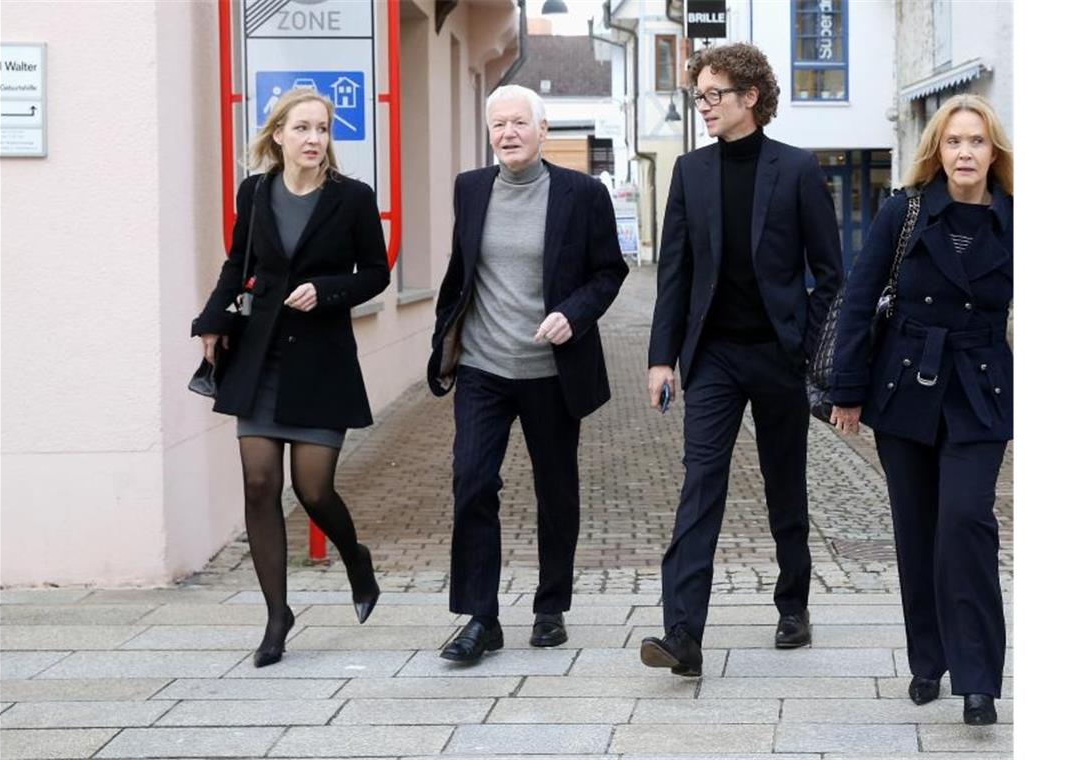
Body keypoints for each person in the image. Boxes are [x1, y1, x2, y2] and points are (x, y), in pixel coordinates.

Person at [642, 43, 844, 677]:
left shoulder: (797, 169)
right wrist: (661, 357)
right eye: (697, 96)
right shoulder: (691, 172)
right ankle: (683, 634)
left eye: (712, 95)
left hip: (778, 356)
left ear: (749, 97)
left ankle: (792, 605)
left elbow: (831, 274)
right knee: (701, 483)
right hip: (715, 358)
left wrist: (804, 345)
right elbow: (674, 270)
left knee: (786, 484)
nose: (702, 106)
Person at [427, 84, 628, 662]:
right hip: (484, 366)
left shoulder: (581, 193)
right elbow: (461, 268)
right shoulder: (470, 189)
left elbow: (608, 272)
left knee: (556, 489)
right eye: (498, 125)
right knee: (471, 481)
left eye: (518, 122)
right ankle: (479, 618)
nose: (508, 133)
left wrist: (575, 313)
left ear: (543, 130)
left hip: (550, 371)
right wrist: (446, 331)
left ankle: (549, 607)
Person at [830, 94, 1013, 726]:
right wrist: (846, 392)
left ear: (995, 152)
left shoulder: (1019, 220)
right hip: (905, 386)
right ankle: (928, 660)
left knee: (966, 521)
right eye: (955, 141)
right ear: (937, 150)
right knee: (917, 529)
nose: (966, 152)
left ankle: (980, 678)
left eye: (978, 141)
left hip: (980, 390)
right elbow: (857, 303)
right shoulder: (902, 212)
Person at [192, 89, 389, 667]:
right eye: (301, 128)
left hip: (322, 360)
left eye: (322, 129)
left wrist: (328, 291)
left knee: (312, 489)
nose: (313, 139)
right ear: (277, 134)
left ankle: (355, 557)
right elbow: (238, 264)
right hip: (260, 357)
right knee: (258, 485)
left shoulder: (351, 198)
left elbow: (375, 273)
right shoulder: (254, 193)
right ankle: (278, 615)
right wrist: (211, 321)